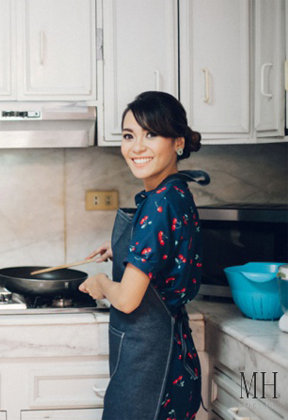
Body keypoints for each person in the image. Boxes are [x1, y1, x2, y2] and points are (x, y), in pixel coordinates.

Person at [79, 91, 208, 420]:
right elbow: (168, 248)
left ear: (177, 142)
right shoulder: (176, 191)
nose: (136, 147)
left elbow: (127, 300)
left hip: (151, 368)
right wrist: (123, 250)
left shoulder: (159, 204)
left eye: (151, 134)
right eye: (128, 136)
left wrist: (102, 283)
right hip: (172, 358)